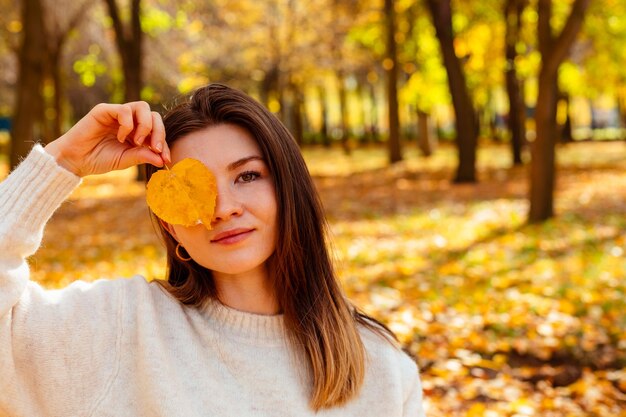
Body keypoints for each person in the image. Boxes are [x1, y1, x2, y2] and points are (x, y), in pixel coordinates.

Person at [0, 83, 424, 416]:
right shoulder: (123, 328)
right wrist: (62, 161)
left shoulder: (383, 371)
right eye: (191, 189)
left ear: (288, 188)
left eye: (247, 176)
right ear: (170, 226)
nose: (221, 209)